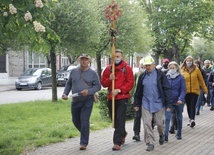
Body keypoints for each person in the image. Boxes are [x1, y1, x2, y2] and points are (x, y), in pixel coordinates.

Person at [61, 54, 101, 150]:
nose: (84, 61)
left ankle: (83, 143)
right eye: (82, 59)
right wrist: (65, 94)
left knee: (84, 121)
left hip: (87, 100)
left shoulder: (92, 73)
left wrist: (89, 92)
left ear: (89, 61)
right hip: (75, 100)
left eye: (86, 59)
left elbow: (98, 86)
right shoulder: (74, 71)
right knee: (75, 121)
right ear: (79, 60)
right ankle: (85, 132)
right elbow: (69, 83)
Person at [133, 55, 172, 151]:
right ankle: (150, 142)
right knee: (147, 123)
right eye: (146, 65)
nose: (147, 67)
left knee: (159, 123)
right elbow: (138, 91)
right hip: (146, 103)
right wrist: (136, 104)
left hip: (158, 102)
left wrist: (168, 104)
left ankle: (161, 134)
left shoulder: (160, 75)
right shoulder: (142, 76)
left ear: (154, 65)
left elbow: (167, 89)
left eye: (149, 65)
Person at [101, 49, 134, 151]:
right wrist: (109, 79)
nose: (116, 58)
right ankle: (122, 133)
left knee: (120, 119)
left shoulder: (127, 68)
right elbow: (103, 83)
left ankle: (117, 142)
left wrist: (119, 90)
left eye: (118, 56)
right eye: (114, 56)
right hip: (111, 97)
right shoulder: (109, 69)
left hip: (122, 97)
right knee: (114, 119)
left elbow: (130, 83)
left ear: (122, 57)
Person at [180, 56, 208, 128]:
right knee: (188, 106)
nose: (188, 62)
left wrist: (205, 90)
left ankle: (192, 119)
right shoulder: (182, 69)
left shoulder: (196, 69)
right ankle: (190, 118)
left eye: (190, 61)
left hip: (194, 90)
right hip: (185, 91)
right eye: (187, 61)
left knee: (193, 105)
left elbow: (201, 80)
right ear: (185, 61)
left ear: (192, 62)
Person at [164, 61, 186, 141]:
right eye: (170, 68)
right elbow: (164, 89)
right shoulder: (166, 77)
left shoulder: (181, 77)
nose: (172, 69)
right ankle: (165, 135)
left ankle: (179, 133)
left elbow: (183, 90)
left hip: (178, 102)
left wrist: (180, 99)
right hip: (169, 102)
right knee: (167, 118)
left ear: (177, 68)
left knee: (179, 118)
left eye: (173, 68)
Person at [132, 59, 146, 141]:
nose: (143, 68)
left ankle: (148, 131)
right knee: (137, 116)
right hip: (138, 98)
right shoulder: (137, 74)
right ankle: (136, 134)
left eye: (145, 67)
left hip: (147, 99)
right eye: (142, 67)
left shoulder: (149, 75)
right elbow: (134, 85)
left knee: (148, 117)